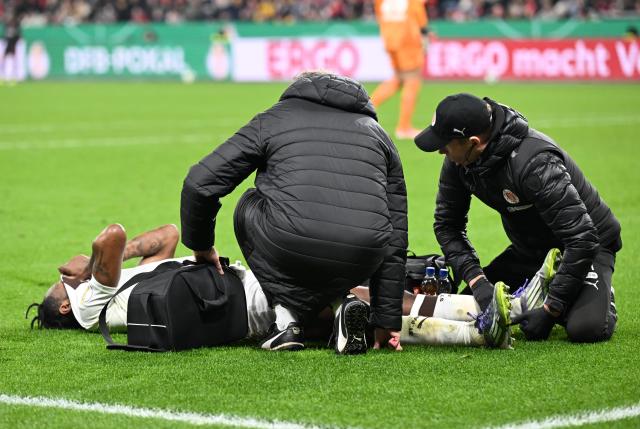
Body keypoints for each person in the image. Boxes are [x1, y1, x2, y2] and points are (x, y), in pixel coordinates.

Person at [180, 71, 408, 352]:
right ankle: (342, 305)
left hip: (288, 244)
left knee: (250, 203)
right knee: (353, 228)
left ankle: (285, 322)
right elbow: (396, 234)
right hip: (361, 254)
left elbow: (199, 182)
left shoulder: (275, 118)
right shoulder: (380, 135)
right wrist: (386, 319)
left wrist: (201, 246)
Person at [414, 93, 622, 343]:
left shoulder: (535, 163)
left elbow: (582, 237)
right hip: (529, 252)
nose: (440, 151)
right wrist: (478, 281)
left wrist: (551, 309)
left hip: (586, 247)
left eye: (445, 143)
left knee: (585, 329)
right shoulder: (459, 162)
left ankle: (593, 293)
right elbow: (447, 226)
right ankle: (549, 288)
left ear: (474, 142)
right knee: (467, 308)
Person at [27, 224, 275, 341]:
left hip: (232, 288)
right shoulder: (88, 310)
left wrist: (110, 261)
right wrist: (87, 267)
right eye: (63, 282)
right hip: (239, 302)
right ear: (65, 306)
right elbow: (113, 235)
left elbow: (168, 235)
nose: (67, 276)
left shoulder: (122, 290)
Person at [371, 0, 429, 140]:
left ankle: (364, 107)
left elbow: (379, 15)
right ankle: (404, 127)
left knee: (397, 79)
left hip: (390, 38)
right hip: (407, 39)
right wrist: (425, 35)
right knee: (412, 80)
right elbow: (419, 16)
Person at [1, 17, 21, 85]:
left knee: (12, 64)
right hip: (8, 50)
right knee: (6, 64)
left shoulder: (15, 34)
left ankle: (13, 77)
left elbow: (18, 39)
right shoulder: (7, 35)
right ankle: (5, 77)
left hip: (12, 50)